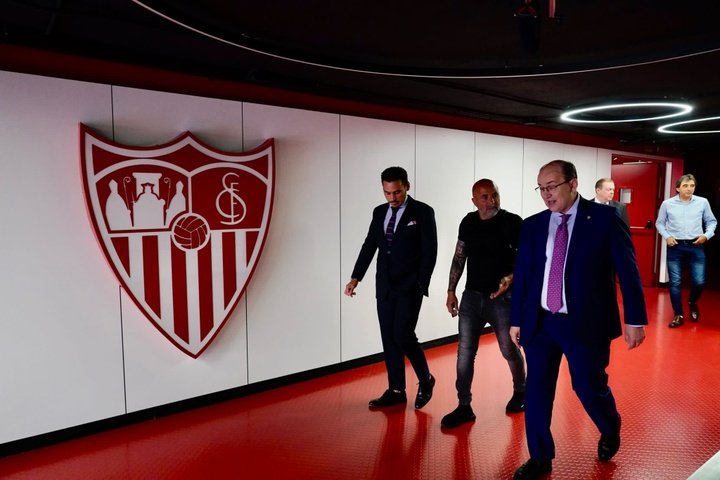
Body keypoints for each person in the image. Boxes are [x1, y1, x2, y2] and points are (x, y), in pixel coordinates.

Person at [509, 160, 647, 480]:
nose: (546, 194)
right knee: (537, 390)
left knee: (587, 386)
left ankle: (609, 426)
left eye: (552, 186)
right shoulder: (532, 225)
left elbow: (628, 271)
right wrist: (517, 318)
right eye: (541, 188)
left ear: (573, 184)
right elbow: (525, 277)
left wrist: (635, 319)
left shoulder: (604, 219)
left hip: (584, 323)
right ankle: (540, 457)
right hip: (540, 322)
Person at [344, 166, 438, 409]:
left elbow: (430, 251)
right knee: (389, 338)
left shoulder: (423, 212)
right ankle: (396, 390)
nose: (393, 198)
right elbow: (369, 245)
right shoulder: (378, 212)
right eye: (387, 193)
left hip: (410, 286)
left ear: (407, 186)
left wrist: (421, 284)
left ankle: (426, 379)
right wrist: (356, 277)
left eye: (397, 192)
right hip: (384, 285)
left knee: (403, 335)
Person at [442, 179, 526, 429]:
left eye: (494, 195)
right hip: (471, 298)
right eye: (484, 197)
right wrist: (450, 290)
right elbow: (459, 257)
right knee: (465, 352)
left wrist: (511, 278)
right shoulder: (468, 222)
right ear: (474, 200)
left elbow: (529, 260)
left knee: (508, 349)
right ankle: (464, 406)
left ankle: (521, 391)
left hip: (502, 299)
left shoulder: (513, 222)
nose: (491, 201)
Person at [655, 173, 717, 328]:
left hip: (696, 245)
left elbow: (711, 221)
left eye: (692, 186)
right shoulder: (667, 204)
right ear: (677, 188)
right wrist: (667, 236)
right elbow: (660, 223)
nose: (689, 189)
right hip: (675, 246)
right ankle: (678, 314)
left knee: (699, 281)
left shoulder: (703, 202)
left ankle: (692, 301)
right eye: (685, 186)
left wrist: (706, 235)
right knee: (675, 282)